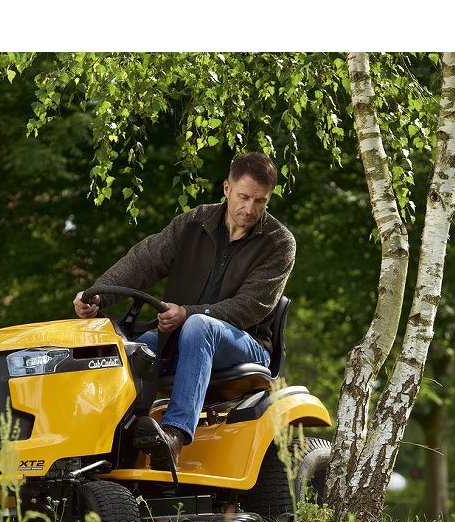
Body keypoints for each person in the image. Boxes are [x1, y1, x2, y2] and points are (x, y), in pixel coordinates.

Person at [73, 152, 295, 464]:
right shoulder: (193, 223)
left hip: (247, 345)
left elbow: (250, 307)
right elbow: (143, 262)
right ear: (227, 188)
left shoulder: (279, 243)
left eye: (260, 201)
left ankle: (175, 434)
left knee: (199, 325)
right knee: (125, 350)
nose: (249, 209)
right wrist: (98, 295)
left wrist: (187, 314)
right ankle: (103, 444)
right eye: (244, 197)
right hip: (180, 340)